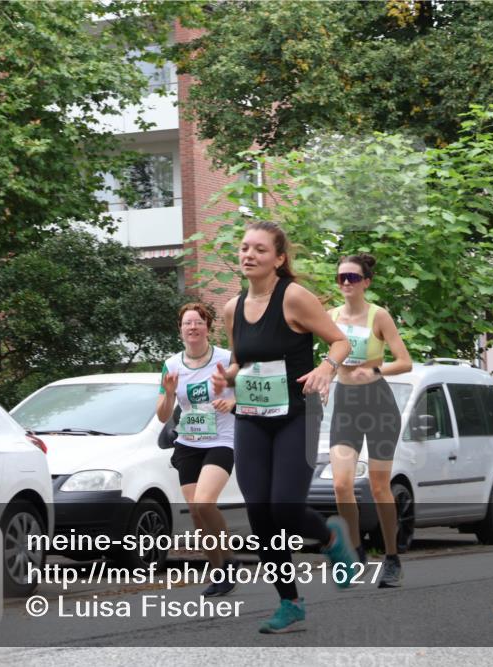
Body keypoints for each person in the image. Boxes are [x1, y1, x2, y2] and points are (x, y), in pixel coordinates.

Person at [210, 221, 356, 634]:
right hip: (252, 417)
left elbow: (340, 342)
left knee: (285, 509)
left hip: (297, 415)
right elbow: (241, 360)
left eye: (260, 249)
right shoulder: (232, 308)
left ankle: (331, 538)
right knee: (260, 513)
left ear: (278, 259)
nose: (249, 255)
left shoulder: (292, 296)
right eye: (245, 248)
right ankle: (289, 603)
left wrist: (326, 368)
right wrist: (228, 377)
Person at [327, 253, 412, 587]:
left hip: (378, 403)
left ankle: (391, 558)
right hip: (345, 403)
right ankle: (356, 552)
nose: (346, 282)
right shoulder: (330, 317)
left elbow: (404, 361)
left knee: (378, 487)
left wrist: (375, 370)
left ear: (366, 282)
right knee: (341, 485)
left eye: (353, 277)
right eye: (341, 277)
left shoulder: (379, 315)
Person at [156, 303, 239, 596]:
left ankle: (229, 560)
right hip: (188, 442)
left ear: (208, 327)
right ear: (180, 329)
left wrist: (233, 402)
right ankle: (219, 571)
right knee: (195, 511)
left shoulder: (226, 359)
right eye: (187, 323)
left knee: (205, 503)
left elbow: (249, 390)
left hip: (222, 441)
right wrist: (169, 394)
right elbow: (162, 415)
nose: (193, 327)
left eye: (198, 322)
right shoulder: (171, 365)